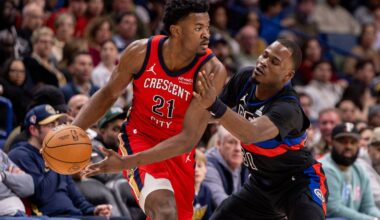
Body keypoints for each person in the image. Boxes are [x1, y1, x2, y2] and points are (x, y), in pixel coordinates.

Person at [74, 1, 227, 219]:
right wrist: (73, 130)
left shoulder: (211, 69)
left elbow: (189, 138)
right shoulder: (141, 52)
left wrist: (124, 164)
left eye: (207, 27)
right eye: (198, 28)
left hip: (178, 148)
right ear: (176, 31)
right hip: (140, 139)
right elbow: (109, 94)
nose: (206, 35)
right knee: (164, 211)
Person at [192, 38, 328, 219]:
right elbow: (211, 113)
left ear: (287, 76)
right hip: (260, 185)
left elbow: (250, 133)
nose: (264, 62)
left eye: (274, 62)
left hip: (297, 183)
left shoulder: (288, 108)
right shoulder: (244, 79)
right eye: (265, 55)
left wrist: (213, 105)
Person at [8, 104, 112, 217]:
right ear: (33, 130)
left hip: (74, 215)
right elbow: (41, 195)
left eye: (57, 124)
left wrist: (93, 210)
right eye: (51, 125)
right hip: (48, 216)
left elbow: (76, 197)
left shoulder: (58, 156)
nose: (57, 129)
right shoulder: (20, 155)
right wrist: (53, 160)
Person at [320, 123, 380, 219]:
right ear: (331, 143)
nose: (348, 146)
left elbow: (368, 207)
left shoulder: (359, 169)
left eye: (353, 142)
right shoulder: (324, 168)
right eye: (343, 142)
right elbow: (333, 209)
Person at [204, 125, 248, 207]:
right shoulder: (207, 164)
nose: (238, 148)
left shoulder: (248, 162)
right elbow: (221, 203)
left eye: (243, 143)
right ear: (219, 144)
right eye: (231, 142)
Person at [0, 149, 34, 217]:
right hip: (6, 214)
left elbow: (29, 187)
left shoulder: (1, 154)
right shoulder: (19, 153)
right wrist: (12, 183)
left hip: (18, 214)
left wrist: (4, 176)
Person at [193, 149, 214, 220]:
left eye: (199, 166)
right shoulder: (181, 192)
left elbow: (209, 216)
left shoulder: (207, 191)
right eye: (192, 166)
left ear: (205, 169)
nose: (196, 170)